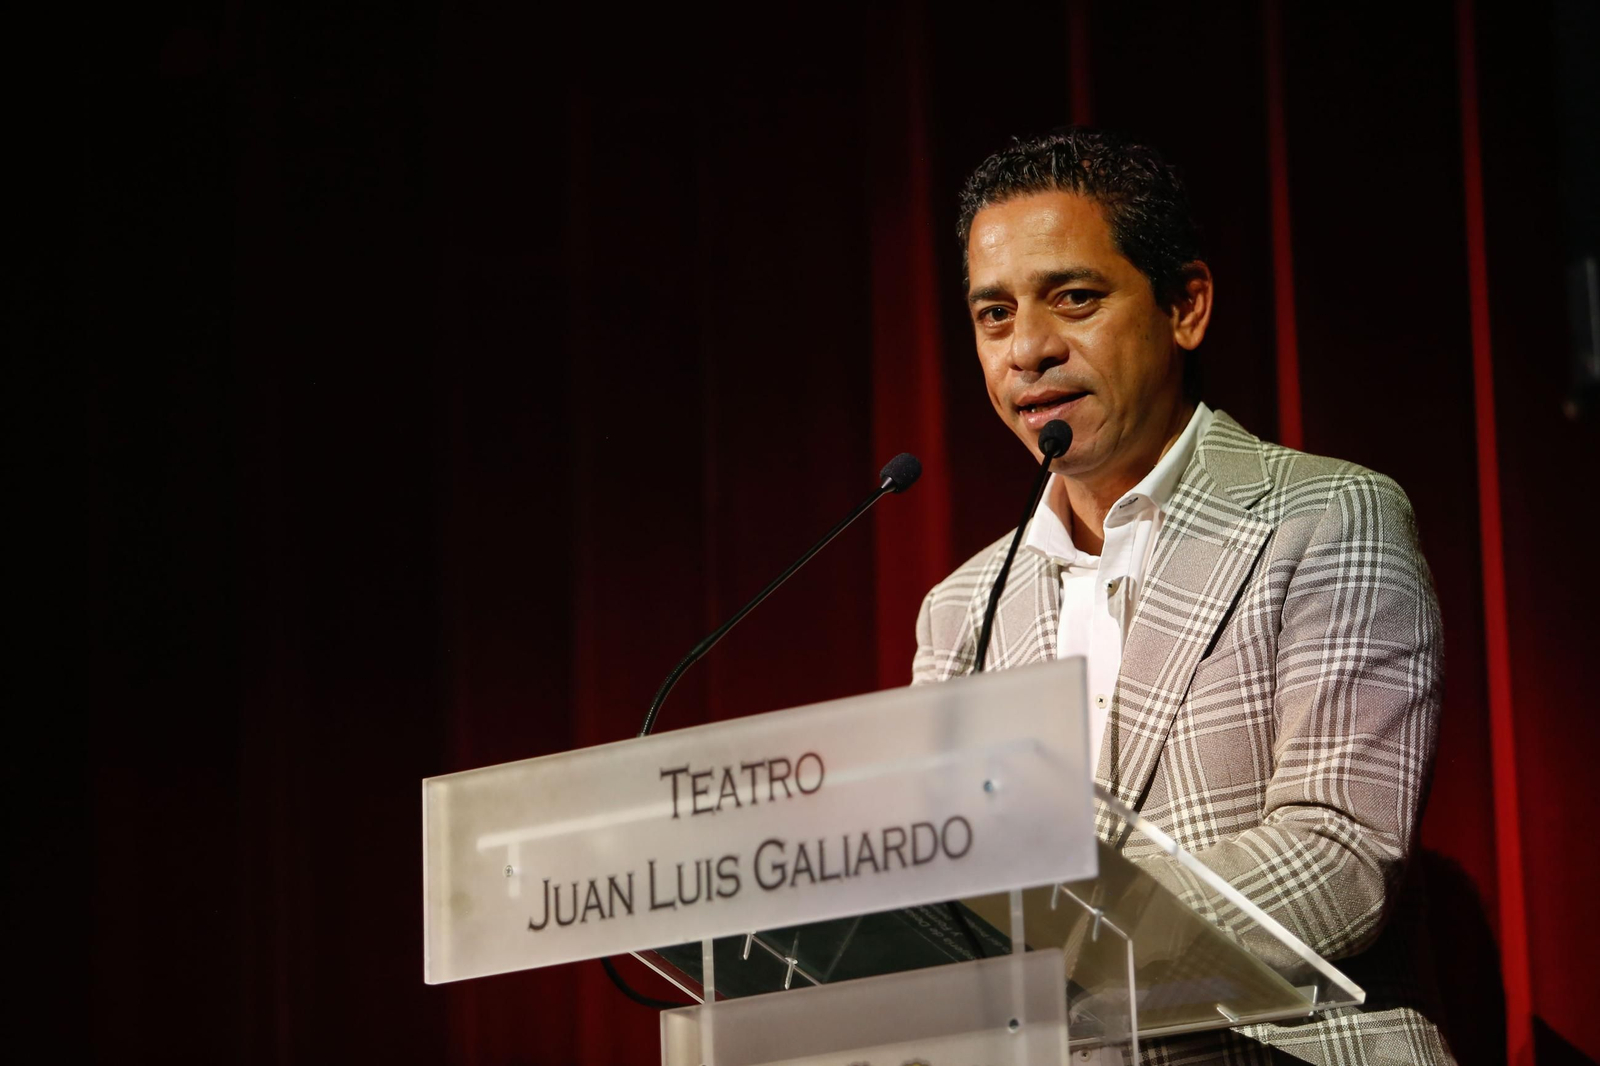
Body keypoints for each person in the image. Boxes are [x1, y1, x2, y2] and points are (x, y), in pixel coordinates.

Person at [914, 129, 1452, 1065]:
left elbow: (1341, 858)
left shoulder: (1327, 517)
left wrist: (1046, 943)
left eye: (1073, 298)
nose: (1029, 349)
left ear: (1186, 306)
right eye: (994, 315)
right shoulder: (960, 610)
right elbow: (944, 889)